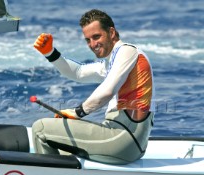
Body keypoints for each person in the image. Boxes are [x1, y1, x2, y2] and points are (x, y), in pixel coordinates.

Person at [32, 9, 155, 165]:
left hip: (124, 138)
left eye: (96, 37)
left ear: (111, 32)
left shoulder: (127, 51)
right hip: (122, 138)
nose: (92, 44)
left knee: (40, 128)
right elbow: (78, 72)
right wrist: (50, 53)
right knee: (59, 144)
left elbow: (108, 91)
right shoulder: (113, 60)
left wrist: (78, 112)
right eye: (88, 40)